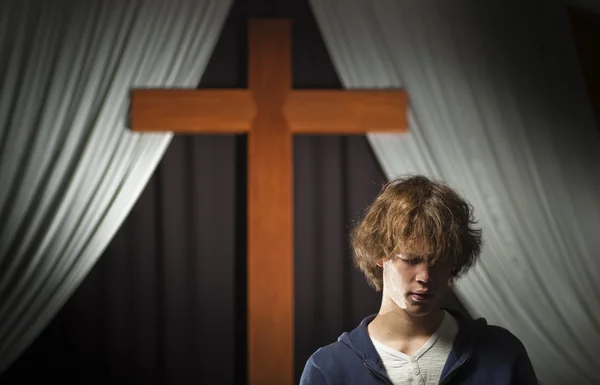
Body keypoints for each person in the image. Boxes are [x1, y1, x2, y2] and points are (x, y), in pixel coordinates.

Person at [299, 175, 537, 385]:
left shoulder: (503, 353)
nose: (425, 277)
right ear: (381, 255)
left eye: (439, 261)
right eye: (411, 260)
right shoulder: (328, 369)